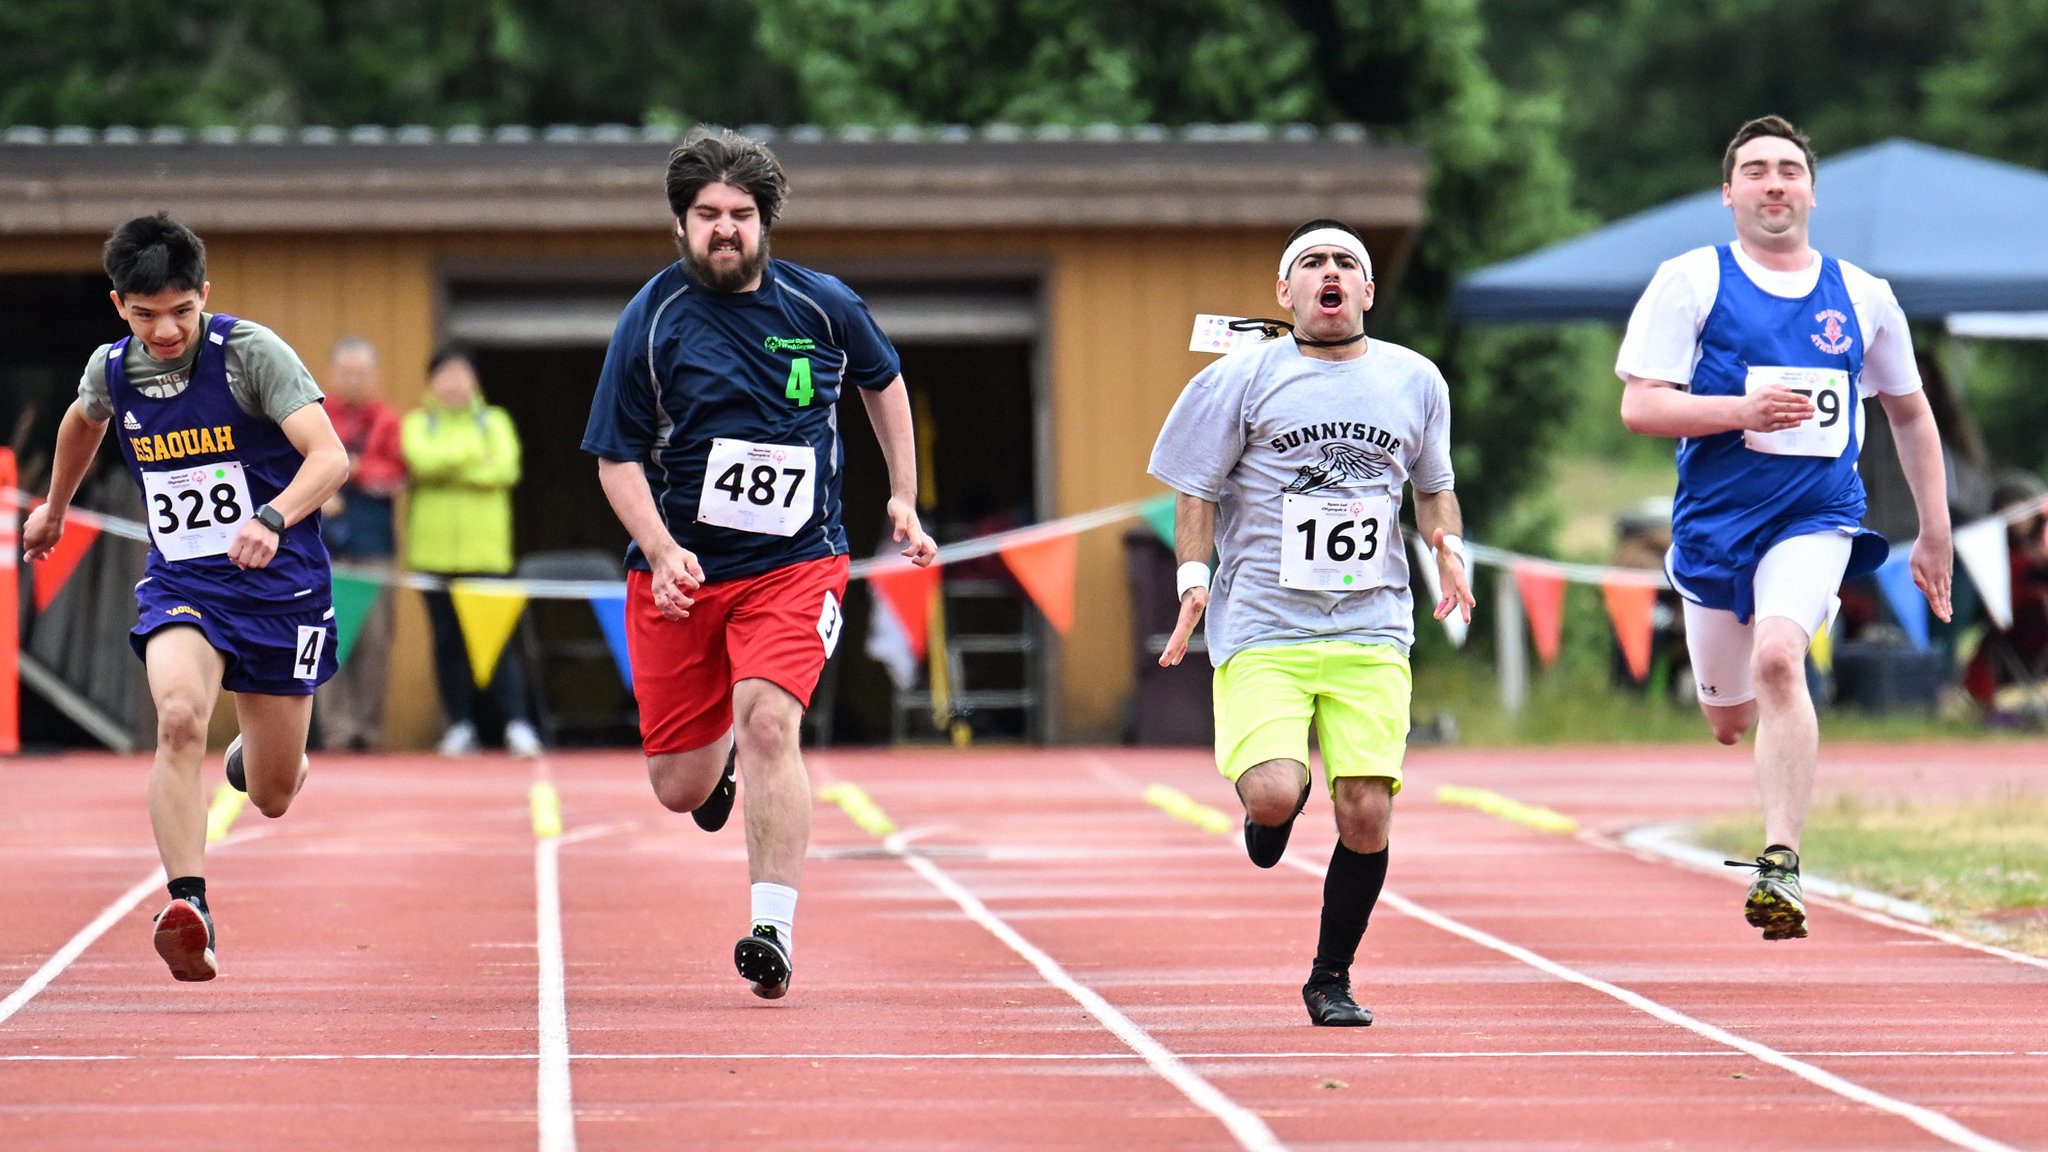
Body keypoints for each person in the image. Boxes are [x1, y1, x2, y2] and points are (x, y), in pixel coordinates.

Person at [582, 127, 936, 1000]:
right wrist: (662, 551)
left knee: (769, 719)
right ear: (680, 224)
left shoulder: (820, 306)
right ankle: (718, 771)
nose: (724, 230)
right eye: (707, 215)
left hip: (797, 563)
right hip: (682, 577)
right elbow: (614, 457)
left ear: (766, 223)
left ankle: (771, 927)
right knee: (678, 787)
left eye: (741, 215)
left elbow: (881, 382)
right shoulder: (652, 319)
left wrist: (902, 493)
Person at [1617, 116, 1953, 940]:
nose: (1775, 184)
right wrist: (1741, 410)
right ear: (1728, 193)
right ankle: (1731, 703)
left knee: (1779, 658)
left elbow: (1911, 415)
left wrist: (1935, 530)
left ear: (1810, 190)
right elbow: (1639, 405)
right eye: (1757, 171)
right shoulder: (1691, 281)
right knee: (1730, 720)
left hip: (1816, 516)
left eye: (1790, 170)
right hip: (1712, 526)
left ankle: (1781, 864)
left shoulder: (1864, 296)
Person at [1150, 219, 1475, 1026]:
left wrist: (1450, 549)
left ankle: (1331, 978)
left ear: (1366, 290)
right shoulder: (1242, 377)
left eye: (1345, 264)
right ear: (1285, 292)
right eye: (1311, 263)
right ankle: (1274, 812)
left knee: (1366, 806)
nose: (1329, 274)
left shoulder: (1415, 379)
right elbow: (1195, 487)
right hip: (1264, 623)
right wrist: (1194, 579)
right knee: (1270, 794)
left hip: (1372, 624)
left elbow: (1433, 486)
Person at [21, 212, 349, 981]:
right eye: (145, 315)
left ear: (204, 294)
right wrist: (54, 509)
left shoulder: (250, 356)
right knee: (176, 721)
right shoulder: (111, 370)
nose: (165, 330)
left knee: (272, 793)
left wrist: (272, 517)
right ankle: (189, 902)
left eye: (180, 311)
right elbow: (80, 423)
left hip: (280, 586)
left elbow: (329, 458)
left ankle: (258, 761)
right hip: (187, 583)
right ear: (119, 308)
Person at [401, 346, 543, 758]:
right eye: (444, 375)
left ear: (475, 381)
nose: (454, 383)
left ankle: (516, 725)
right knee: (447, 644)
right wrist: (471, 460)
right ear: (430, 382)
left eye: (461, 374)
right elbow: (420, 462)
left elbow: (505, 468)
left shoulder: (494, 421)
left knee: (496, 643)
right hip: (433, 556)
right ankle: (460, 725)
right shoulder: (419, 423)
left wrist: (449, 466)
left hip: (487, 556)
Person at [314, 336, 405, 751]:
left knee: (373, 643)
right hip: (322, 551)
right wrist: (322, 489)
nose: (353, 379)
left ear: (373, 375)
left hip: (373, 548)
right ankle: (335, 732)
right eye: (346, 371)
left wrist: (353, 471)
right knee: (326, 639)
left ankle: (367, 732)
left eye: (361, 372)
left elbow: (397, 472)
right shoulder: (316, 416)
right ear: (333, 374)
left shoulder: (387, 421)